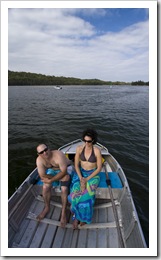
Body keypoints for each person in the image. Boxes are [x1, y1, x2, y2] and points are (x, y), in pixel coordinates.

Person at [68, 129, 102, 229]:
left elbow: (99, 168)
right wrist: (81, 178)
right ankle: (76, 217)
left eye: (89, 141)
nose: (87, 143)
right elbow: (76, 165)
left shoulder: (96, 151)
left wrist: (86, 180)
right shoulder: (79, 148)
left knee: (87, 195)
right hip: (80, 173)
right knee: (75, 193)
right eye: (85, 140)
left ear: (93, 141)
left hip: (93, 175)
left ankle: (83, 218)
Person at [36, 143, 72, 227]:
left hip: (67, 168)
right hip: (53, 171)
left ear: (49, 149)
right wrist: (51, 179)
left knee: (64, 188)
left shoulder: (58, 155)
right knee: (45, 186)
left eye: (45, 150)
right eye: (41, 152)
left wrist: (51, 180)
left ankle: (63, 212)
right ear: (39, 154)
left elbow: (64, 172)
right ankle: (47, 207)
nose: (44, 153)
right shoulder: (39, 160)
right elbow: (42, 175)